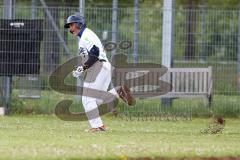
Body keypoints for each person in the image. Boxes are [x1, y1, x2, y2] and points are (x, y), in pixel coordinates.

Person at [64, 14, 136, 132]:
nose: (70, 29)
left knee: (87, 99)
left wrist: (83, 67)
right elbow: (91, 55)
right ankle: (118, 91)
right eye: (69, 26)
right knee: (95, 100)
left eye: (71, 25)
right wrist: (82, 67)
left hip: (98, 66)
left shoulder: (86, 35)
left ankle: (96, 126)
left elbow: (95, 53)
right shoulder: (84, 36)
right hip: (104, 66)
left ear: (79, 24)